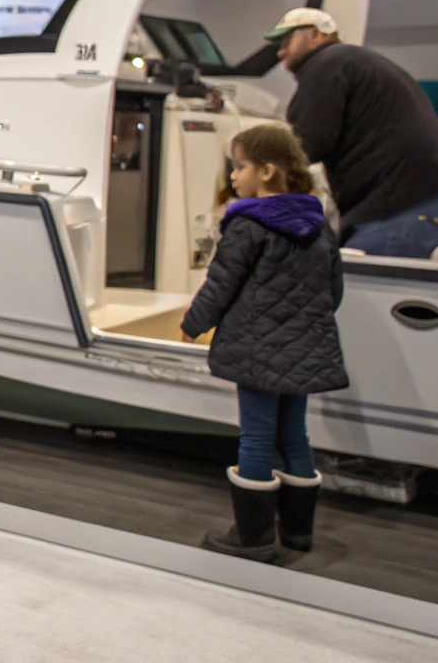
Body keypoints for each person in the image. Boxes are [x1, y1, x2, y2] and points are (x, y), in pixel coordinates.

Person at [181, 124, 348, 562]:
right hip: (304, 346)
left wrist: (195, 323)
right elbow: (335, 292)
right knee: (294, 434)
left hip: (256, 349)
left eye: (240, 167)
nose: (233, 177)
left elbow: (221, 284)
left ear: (268, 172)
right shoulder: (318, 225)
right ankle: (297, 533)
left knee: (256, 436)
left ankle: (253, 537)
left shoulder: (247, 224)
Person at [267, 7, 438, 257]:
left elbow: (306, 143)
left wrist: (259, 178)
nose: (281, 52)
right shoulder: (356, 62)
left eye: (287, 40)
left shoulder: (326, 64)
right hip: (435, 194)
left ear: (316, 35)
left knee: (354, 284)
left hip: (407, 202)